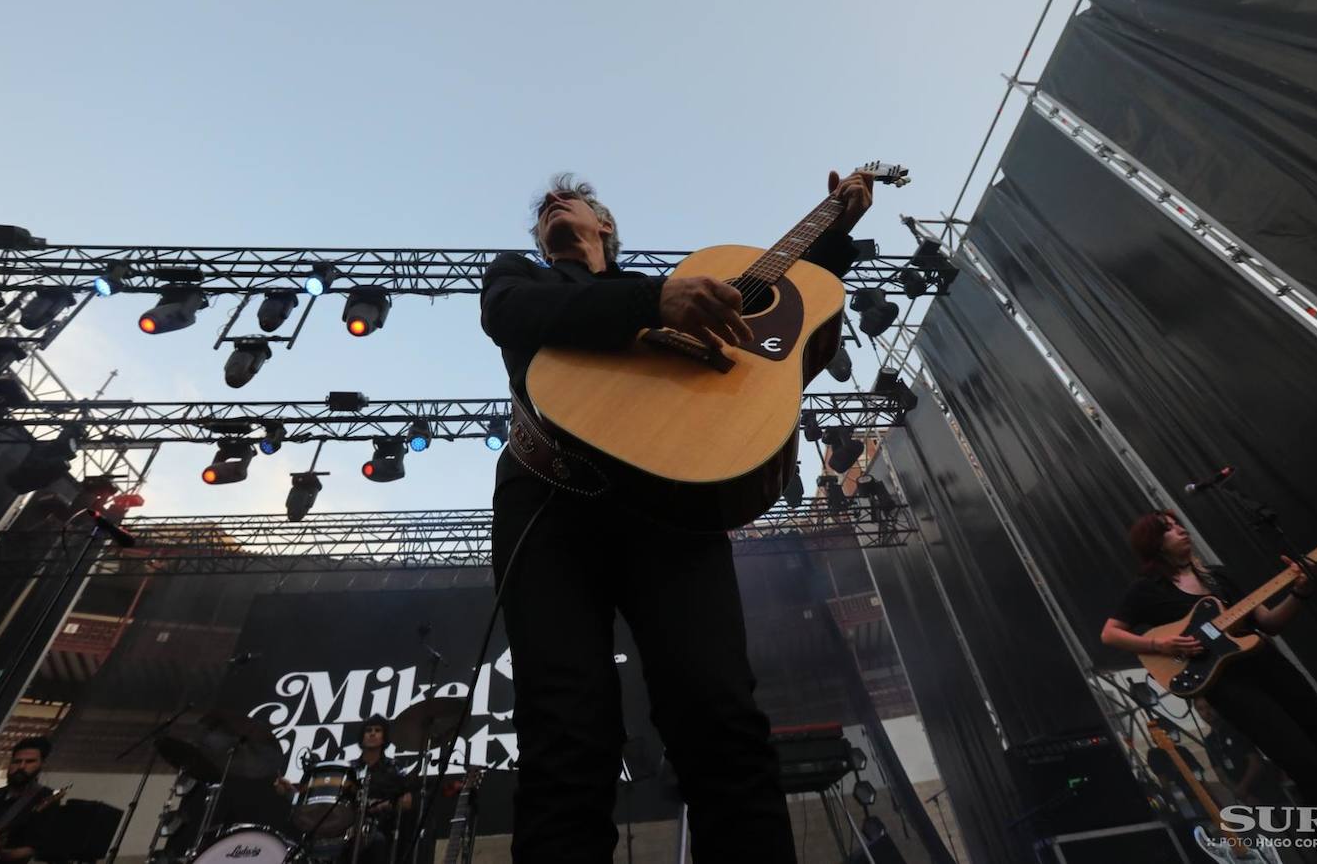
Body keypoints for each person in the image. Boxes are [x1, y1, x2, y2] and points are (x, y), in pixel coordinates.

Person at [480, 170, 873, 862]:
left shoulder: (689, 289)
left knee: (719, 718)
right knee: (565, 730)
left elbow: (785, 325)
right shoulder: (523, 275)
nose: (549, 204)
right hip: (547, 501)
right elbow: (508, 314)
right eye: (542, 206)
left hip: (674, 499)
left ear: (605, 224)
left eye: (566, 198)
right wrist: (656, 301)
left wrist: (832, 229)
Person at [1101, 510, 1317, 861]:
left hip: (1272, 669)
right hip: (1231, 687)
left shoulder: (1219, 579)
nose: (1180, 530)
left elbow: (1268, 622)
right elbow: (1110, 633)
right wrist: (1161, 645)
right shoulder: (1147, 590)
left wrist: (1301, 592)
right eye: (1168, 529)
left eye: (1178, 524)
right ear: (1154, 544)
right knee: (1306, 766)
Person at [275, 715, 412, 864]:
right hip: (343, 826)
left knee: (376, 841)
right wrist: (290, 792)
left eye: (377, 730)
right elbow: (323, 800)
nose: (372, 733)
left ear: (384, 738)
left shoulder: (393, 768)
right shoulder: (349, 769)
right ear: (362, 737)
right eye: (368, 730)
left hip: (376, 826)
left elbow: (407, 802)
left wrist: (380, 805)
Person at [1195, 697, 1287, 808]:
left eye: (1208, 707)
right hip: (1247, 796)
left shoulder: (1236, 728)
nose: (1206, 712)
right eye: (1201, 709)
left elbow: (1256, 763)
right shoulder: (1210, 741)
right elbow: (1220, 773)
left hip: (1269, 788)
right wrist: (1243, 795)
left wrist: (1242, 789)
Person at [0, 737, 55, 863]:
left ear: (42, 764)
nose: (21, 766)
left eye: (30, 761)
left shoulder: (46, 798)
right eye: (16, 761)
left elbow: (30, 849)